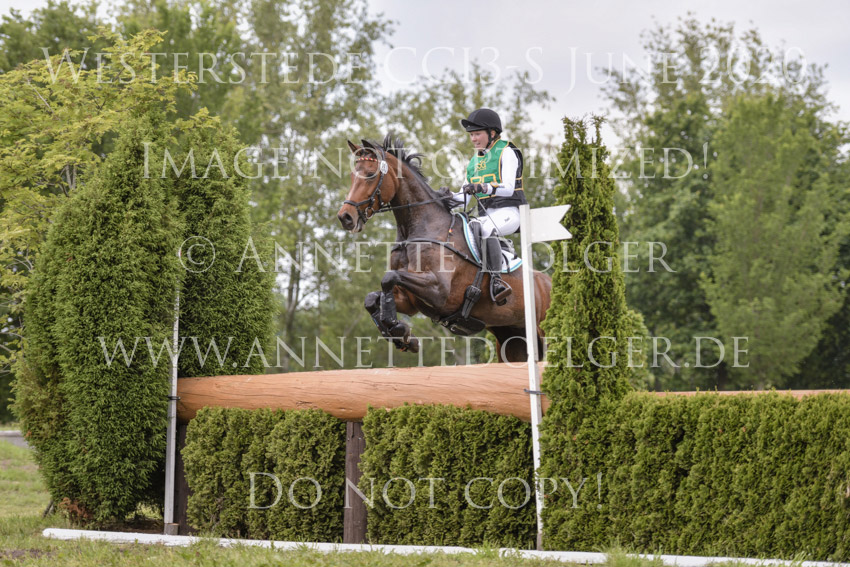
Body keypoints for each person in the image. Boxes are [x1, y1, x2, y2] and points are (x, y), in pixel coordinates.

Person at [449, 108, 527, 304]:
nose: (473, 139)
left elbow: (508, 188)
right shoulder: (474, 162)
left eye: (477, 134)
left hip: (510, 212)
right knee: (464, 231)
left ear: (492, 133)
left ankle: (497, 282)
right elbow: (463, 199)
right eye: (471, 135)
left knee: (484, 228)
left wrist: (483, 186)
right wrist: (442, 197)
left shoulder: (507, 152)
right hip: (486, 216)